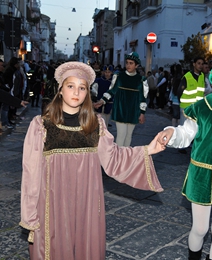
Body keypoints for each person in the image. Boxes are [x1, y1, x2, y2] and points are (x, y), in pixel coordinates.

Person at [19, 61, 165, 260]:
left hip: (86, 204)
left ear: (88, 93)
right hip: (52, 205)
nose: (76, 92)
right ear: (60, 90)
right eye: (70, 86)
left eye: (82, 88)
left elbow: (114, 159)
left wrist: (149, 149)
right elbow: (31, 172)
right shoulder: (41, 125)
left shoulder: (96, 125)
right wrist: (29, 216)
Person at [158, 58, 212, 260]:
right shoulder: (201, 107)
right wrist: (171, 133)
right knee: (200, 228)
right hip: (201, 173)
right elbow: (186, 134)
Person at [94, 52, 148, 147]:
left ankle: (125, 157)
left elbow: (142, 98)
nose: (128, 65)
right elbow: (111, 91)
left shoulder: (141, 80)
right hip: (120, 110)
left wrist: (142, 113)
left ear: (136, 65)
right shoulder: (119, 77)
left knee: (128, 136)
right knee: (121, 135)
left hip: (133, 111)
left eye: (131, 63)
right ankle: (118, 158)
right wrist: (102, 101)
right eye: (127, 62)